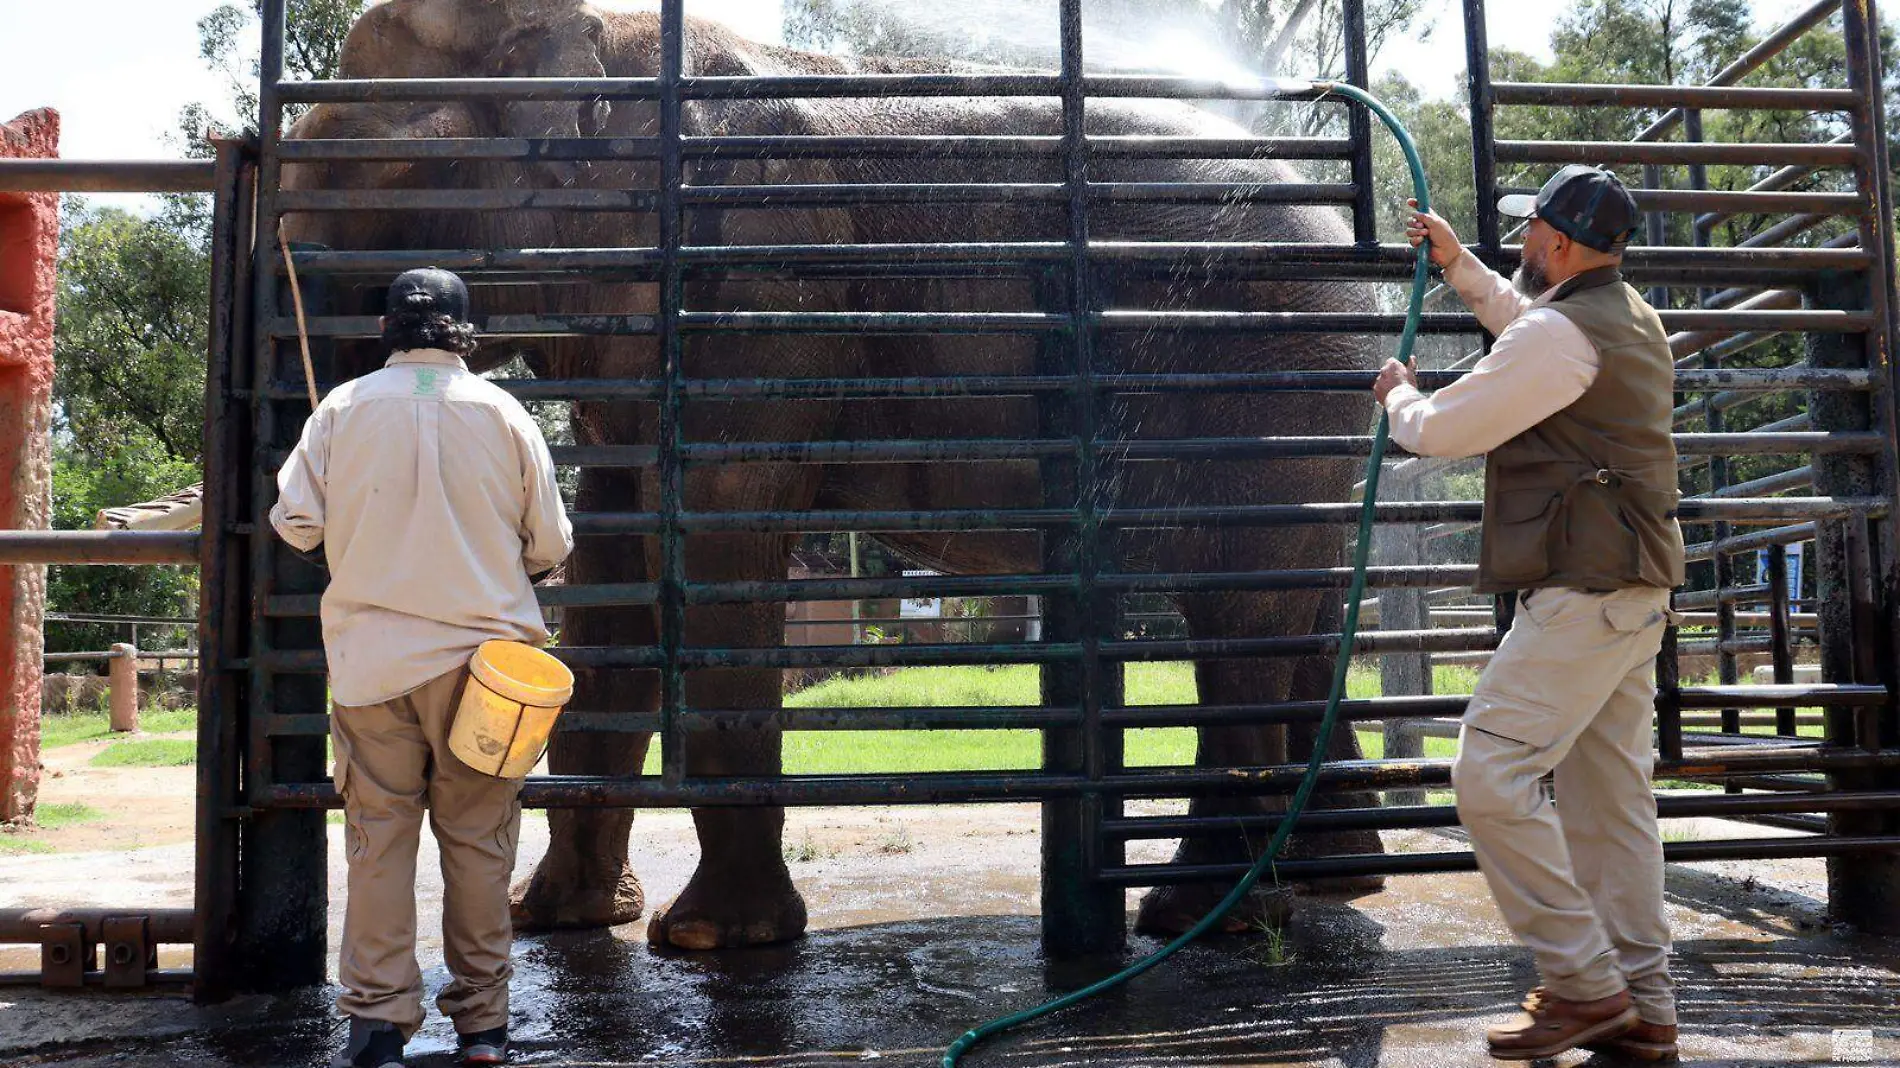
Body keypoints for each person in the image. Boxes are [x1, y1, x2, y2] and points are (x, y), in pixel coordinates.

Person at [1374, 166, 1686, 1063]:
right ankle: (1646, 1007)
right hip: (1628, 591)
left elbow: (1441, 429)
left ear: (1555, 241)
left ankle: (1585, 985)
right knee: (1610, 801)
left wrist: (1398, 393)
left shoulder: (1562, 333)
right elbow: (1529, 330)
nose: (1521, 247)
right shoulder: (1621, 316)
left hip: (1586, 595)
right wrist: (1461, 266)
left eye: (1527, 236)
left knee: (1489, 772)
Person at [271, 268, 574, 1068]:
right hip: (490, 676)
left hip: (373, 669)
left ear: (385, 332)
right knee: (478, 846)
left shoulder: (339, 408)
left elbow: (296, 525)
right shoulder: (506, 413)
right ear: (466, 336)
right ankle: (483, 1030)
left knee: (379, 843)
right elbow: (551, 545)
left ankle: (376, 1028)